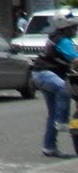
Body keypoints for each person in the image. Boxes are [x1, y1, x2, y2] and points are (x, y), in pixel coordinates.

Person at [32, 11, 78, 158]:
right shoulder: (62, 40)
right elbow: (75, 59)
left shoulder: (58, 38)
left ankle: (49, 147)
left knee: (53, 113)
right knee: (63, 88)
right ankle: (63, 121)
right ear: (65, 27)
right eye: (73, 27)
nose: (75, 30)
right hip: (44, 73)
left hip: (41, 74)